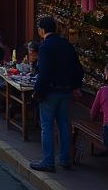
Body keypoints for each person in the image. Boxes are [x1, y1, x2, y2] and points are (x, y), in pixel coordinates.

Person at [31, 16, 83, 173]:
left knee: (47, 126)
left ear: (42, 30)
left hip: (50, 91)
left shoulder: (45, 47)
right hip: (66, 90)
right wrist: (75, 86)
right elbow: (78, 69)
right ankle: (65, 159)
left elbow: (44, 73)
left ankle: (48, 161)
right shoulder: (66, 44)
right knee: (64, 125)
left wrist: (38, 91)